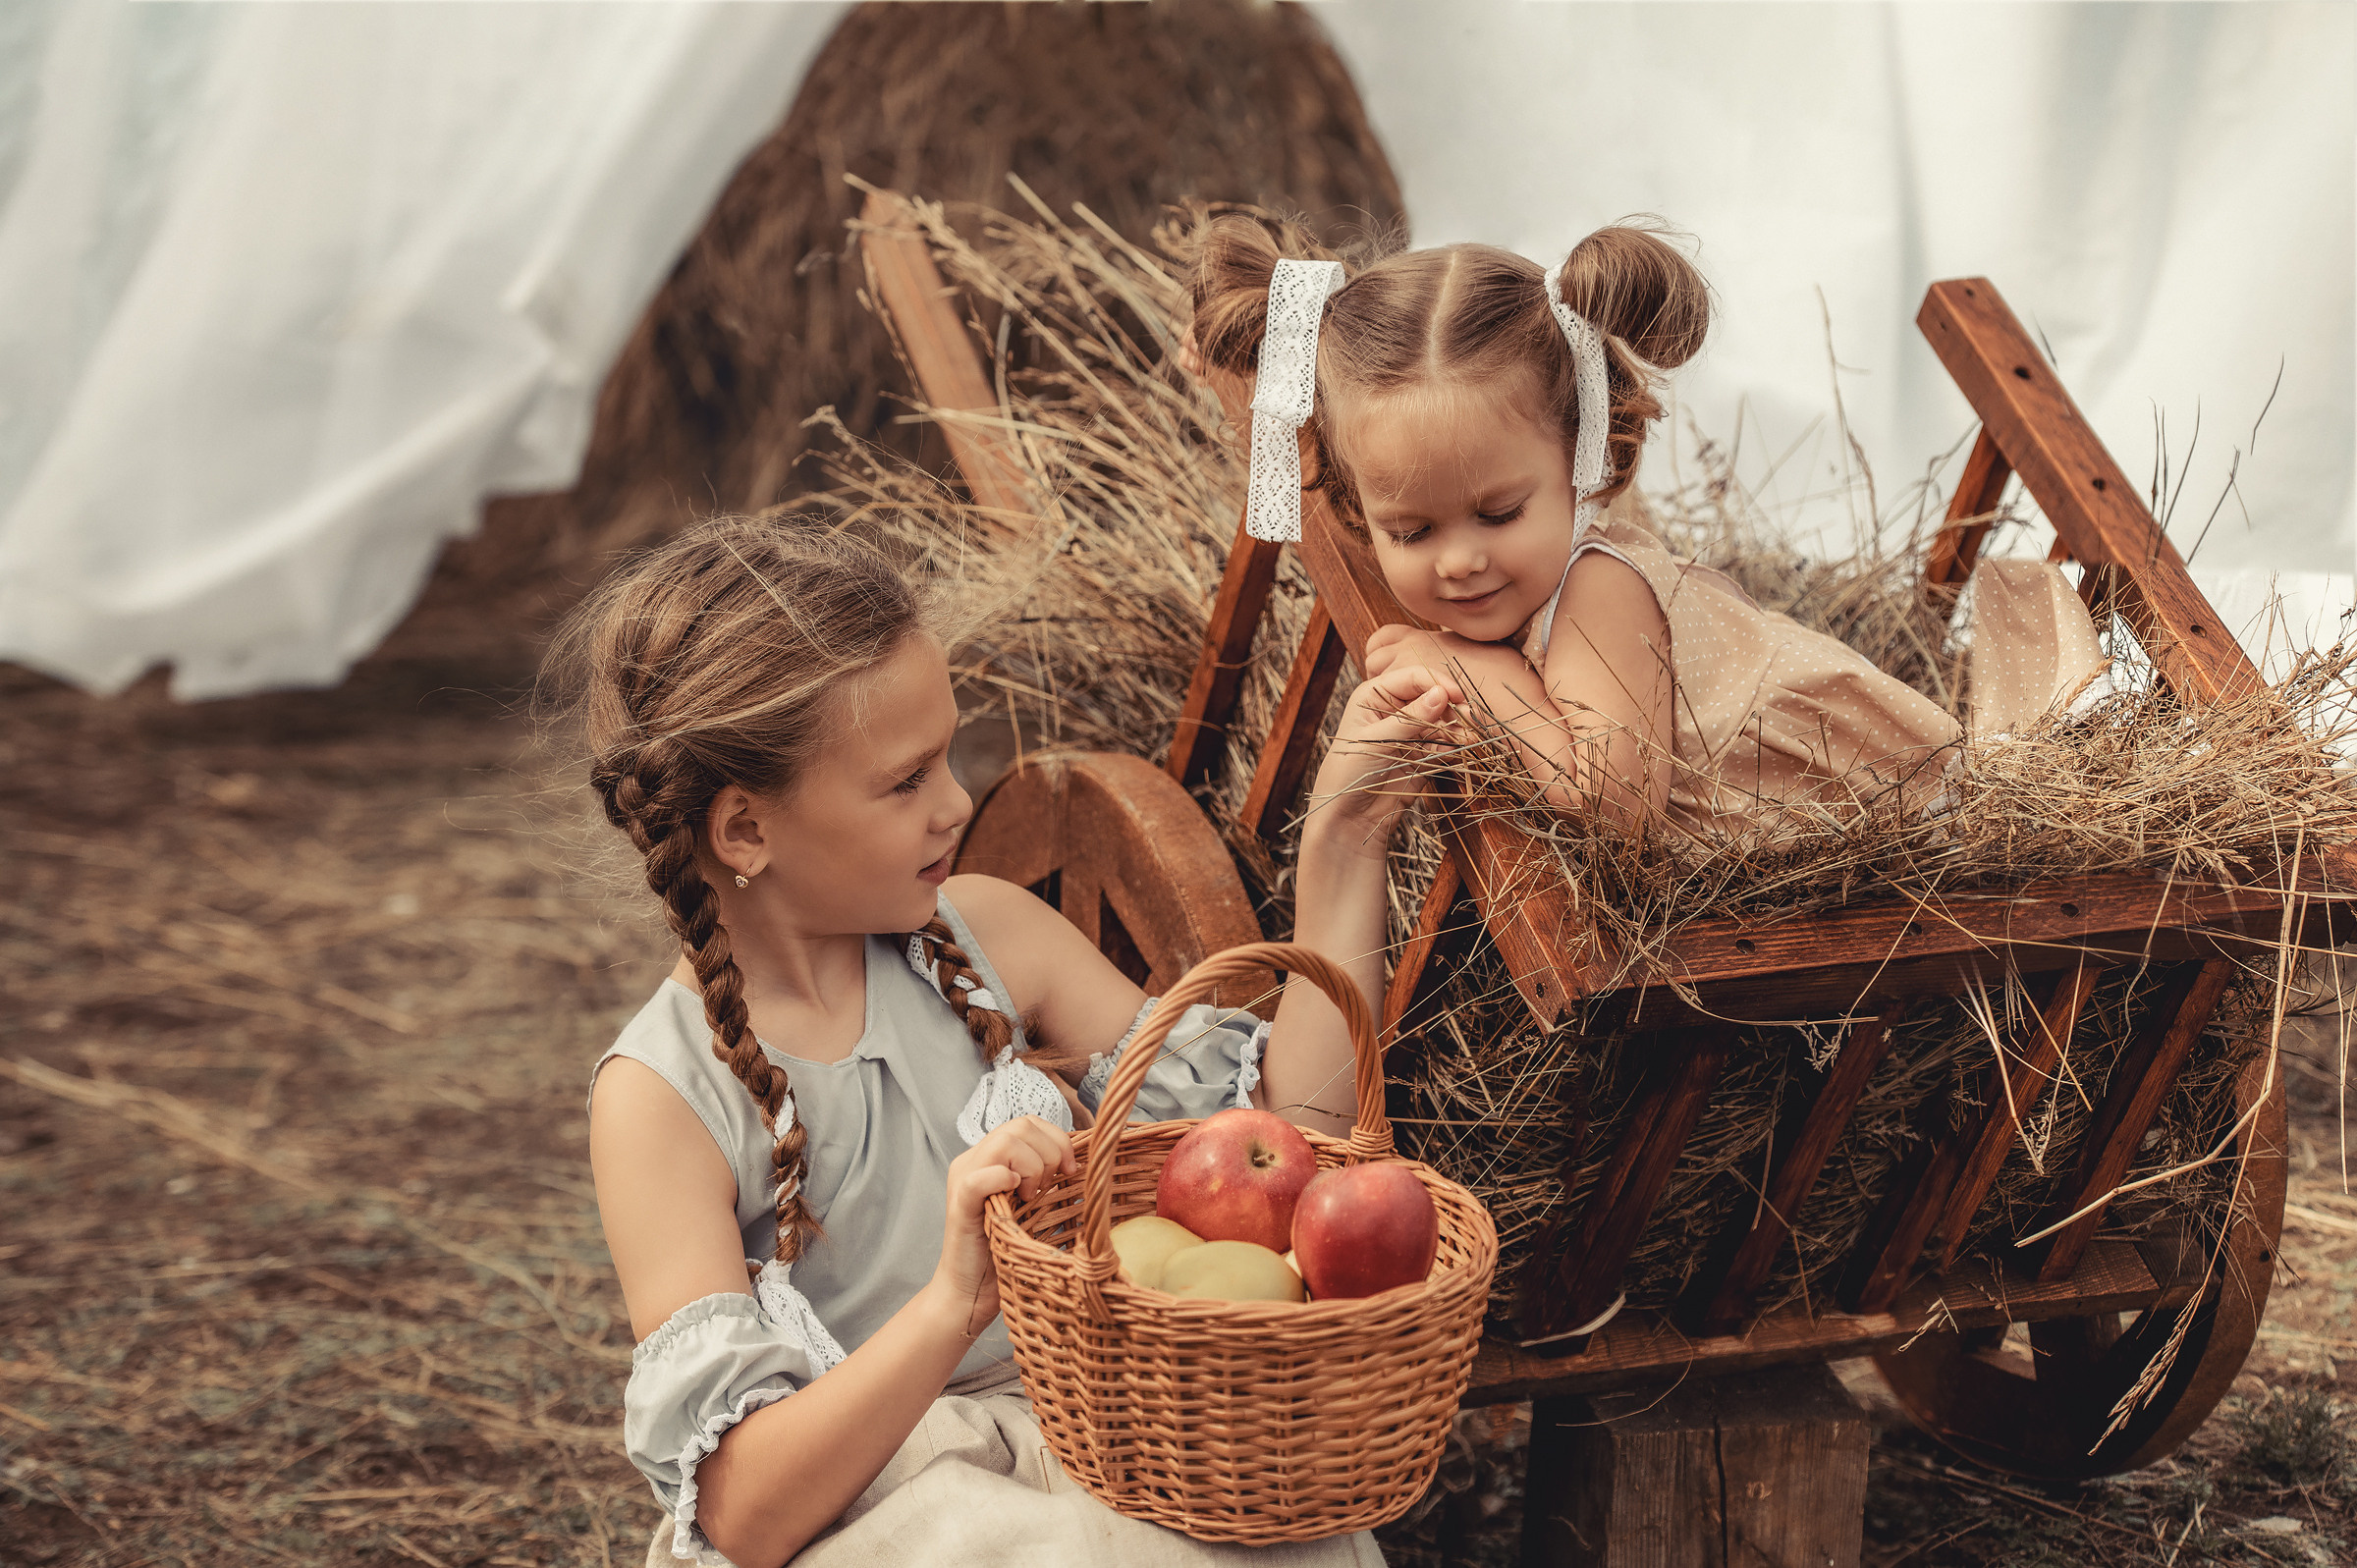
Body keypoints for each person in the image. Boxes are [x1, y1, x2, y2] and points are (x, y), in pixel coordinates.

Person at [551, 514, 1455, 1568]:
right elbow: (745, 1514)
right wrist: (952, 1302)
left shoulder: (994, 933)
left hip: (1085, 1438)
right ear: (746, 831)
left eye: (947, 758)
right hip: (875, 1503)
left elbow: (1293, 1137)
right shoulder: (661, 1098)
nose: (959, 801)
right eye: (906, 781)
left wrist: (1343, 847)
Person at [1183, 211, 2105, 837]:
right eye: (1411, 533)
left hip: (1887, 818)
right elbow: (1334, 472)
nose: (1459, 561)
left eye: (1499, 513)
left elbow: (1615, 804)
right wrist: (1238, 377)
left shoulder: (1595, 589)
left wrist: (1474, 667)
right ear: (1362, 510)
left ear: (1583, 460)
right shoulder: (1480, 531)